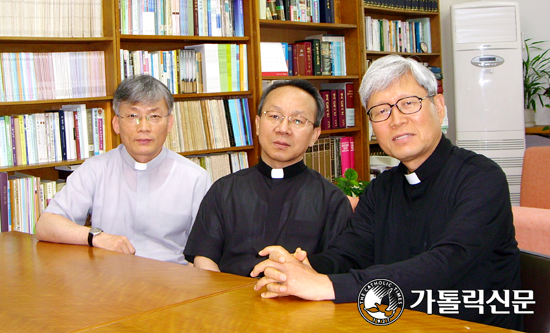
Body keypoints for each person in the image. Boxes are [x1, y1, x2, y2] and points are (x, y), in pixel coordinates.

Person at [250, 55, 522, 330]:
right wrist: (306, 266)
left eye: (408, 104)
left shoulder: (481, 178)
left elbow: (445, 264)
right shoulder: (382, 188)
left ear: (438, 107)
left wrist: (326, 284)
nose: (396, 120)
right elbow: (349, 254)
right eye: (381, 111)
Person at [35, 75, 211, 264]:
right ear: (116, 124)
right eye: (133, 116)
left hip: (172, 282)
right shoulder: (95, 169)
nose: (143, 127)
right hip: (110, 281)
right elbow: (45, 225)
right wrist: (96, 236)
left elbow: (207, 249)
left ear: (169, 123)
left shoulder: (195, 178)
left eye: (154, 116)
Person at [184, 79, 353, 276]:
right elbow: (204, 257)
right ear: (256, 124)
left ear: (315, 135)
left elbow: (337, 268)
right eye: (274, 116)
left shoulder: (332, 200)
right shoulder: (224, 190)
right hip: (230, 301)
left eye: (297, 120)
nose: (283, 128)